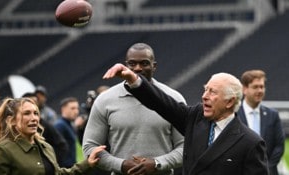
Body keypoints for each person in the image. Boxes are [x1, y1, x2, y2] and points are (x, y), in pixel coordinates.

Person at [102, 63, 270, 175]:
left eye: (212, 92)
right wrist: (134, 79)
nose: (204, 96)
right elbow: (162, 103)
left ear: (230, 101)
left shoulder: (250, 142)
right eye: (205, 90)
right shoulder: (195, 118)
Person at [83, 43, 186, 175]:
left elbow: (186, 148)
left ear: (154, 66)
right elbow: (90, 147)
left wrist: (156, 163)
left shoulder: (173, 99)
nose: (137, 68)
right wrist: (121, 165)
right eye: (132, 64)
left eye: (144, 63)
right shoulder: (105, 100)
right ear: (126, 66)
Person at [0, 97, 106, 175]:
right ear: (12, 120)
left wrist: (87, 162)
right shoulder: (4, 150)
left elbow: (58, 173)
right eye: (27, 113)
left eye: (36, 113)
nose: (34, 118)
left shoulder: (46, 147)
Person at [237, 69, 285, 175]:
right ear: (244, 89)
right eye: (255, 87)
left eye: (262, 87)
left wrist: (267, 168)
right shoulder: (234, 114)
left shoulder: (273, 115)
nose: (259, 90)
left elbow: (279, 146)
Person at [22, 92, 69, 165]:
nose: (33, 105)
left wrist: (49, 163)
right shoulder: (9, 143)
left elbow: (62, 145)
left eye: (35, 103)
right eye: (27, 113)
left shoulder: (45, 125)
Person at [54, 97, 80, 168]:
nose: (76, 111)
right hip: (64, 169)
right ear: (63, 109)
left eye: (77, 108)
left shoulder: (69, 124)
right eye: (72, 108)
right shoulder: (60, 125)